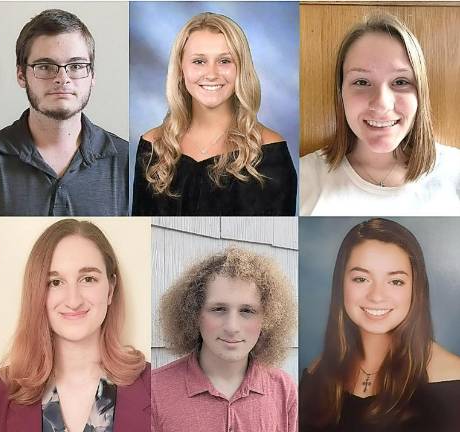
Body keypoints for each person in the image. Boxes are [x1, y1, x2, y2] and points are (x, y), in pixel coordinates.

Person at [299, 218, 460, 432]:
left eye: (395, 282)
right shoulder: (316, 372)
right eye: (361, 279)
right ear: (341, 284)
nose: (376, 296)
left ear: (415, 289)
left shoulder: (453, 381)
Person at [132, 12, 297, 216]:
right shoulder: (153, 146)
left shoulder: (269, 152)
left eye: (224, 61)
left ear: (240, 69)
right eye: (199, 61)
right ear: (181, 69)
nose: (211, 74)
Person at [0, 219, 150, 431]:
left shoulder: (156, 386)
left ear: (111, 289)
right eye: (55, 282)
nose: (73, 300)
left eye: (88, 279)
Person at [300, 14, 460, 216]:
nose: (382, 104)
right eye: (362, 82)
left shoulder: (455, 172)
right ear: (340, 93)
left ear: (420, 92)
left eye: (400, 81)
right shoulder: (304, 178)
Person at [0, 10, 128, 216]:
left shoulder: (126, 161)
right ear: (21, 75)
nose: (62, 78)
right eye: (45, 66)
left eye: (76, 66)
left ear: (92, 75)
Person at [152, 247, 297, 431]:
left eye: (247, 311)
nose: (232, 327)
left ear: (267, 319)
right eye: (218, 309)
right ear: (194, 314)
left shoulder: (285, 390)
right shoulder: (155, 390)